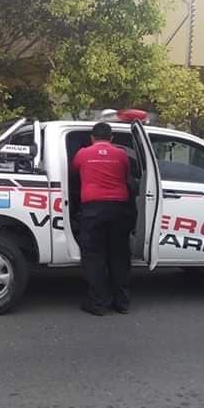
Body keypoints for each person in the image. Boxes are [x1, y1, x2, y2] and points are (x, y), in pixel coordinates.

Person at [71, 122, 133, 316]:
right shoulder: (121, 154)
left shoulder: (82, 154)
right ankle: (121, 303)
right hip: (119, 208)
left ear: (92, 137)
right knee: (119, 255)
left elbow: (74, 174)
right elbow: (127, 176)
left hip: (93, 209)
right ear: (112, 138)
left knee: (94, 256)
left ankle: (98, 304)